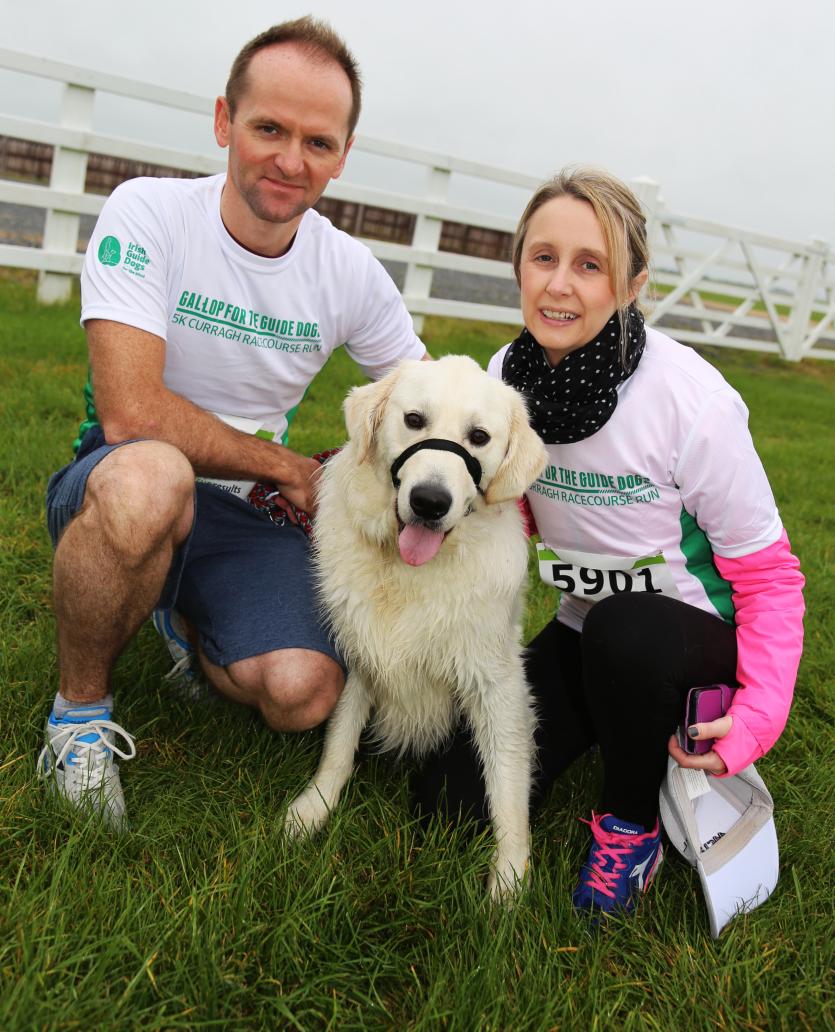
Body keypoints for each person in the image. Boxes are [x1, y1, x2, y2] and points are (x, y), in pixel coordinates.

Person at [39, 17, 428, 828]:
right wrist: (288, 468)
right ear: (224, 122)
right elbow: (129, 411)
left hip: (241, 512)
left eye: (318, 142)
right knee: (154, 478)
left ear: (343, 156)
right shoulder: (149, 213)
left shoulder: (347, 270)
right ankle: (77, 718)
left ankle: (179, 615)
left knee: (302, 694)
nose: (291, 160)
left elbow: (424, 400)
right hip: (117, 480)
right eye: (268, 129)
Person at [413, 167, 805, 918]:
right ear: (519, 265)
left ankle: (631, 823)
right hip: (582, 627)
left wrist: (757, 717)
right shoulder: (502, 379)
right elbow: (507, 510)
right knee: (448, 800)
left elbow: (770, 579)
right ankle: (619, 723)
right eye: (543, 257)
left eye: (589, 265)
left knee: (628, 632)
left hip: (684, 638)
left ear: (631, 286)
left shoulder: (690, 402)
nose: (559, 285)